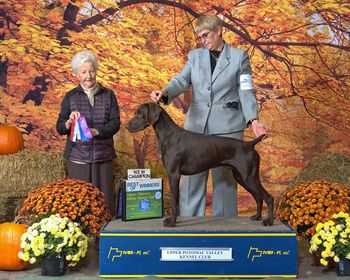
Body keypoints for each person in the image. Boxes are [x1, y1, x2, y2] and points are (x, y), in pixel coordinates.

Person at [150, 14, 268, 217]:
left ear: (219, 30)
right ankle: (189, 225)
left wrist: (253, 119)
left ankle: (224, 228)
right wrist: (165, 91)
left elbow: (246, 90)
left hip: (228, 127)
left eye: (206, 35)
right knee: (191, 184)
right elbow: (181, 80)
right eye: (200, 37)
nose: (202, 41)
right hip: (196, 127)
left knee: (225, 183)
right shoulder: (195, 56)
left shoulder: (239, 57)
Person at [56, 50, 120, 216]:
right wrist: (69, 123)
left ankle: (104, 240)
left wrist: (96, 131)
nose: (88, 76)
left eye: (91, 71)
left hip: (102, 156)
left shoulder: (109, 95)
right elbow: (60, 128)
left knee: (104, 205)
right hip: (77, 158)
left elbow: (115, 124)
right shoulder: (70, 97)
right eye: (83, 72)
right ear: (77, 73)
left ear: (96, 70)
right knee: (78, 205)